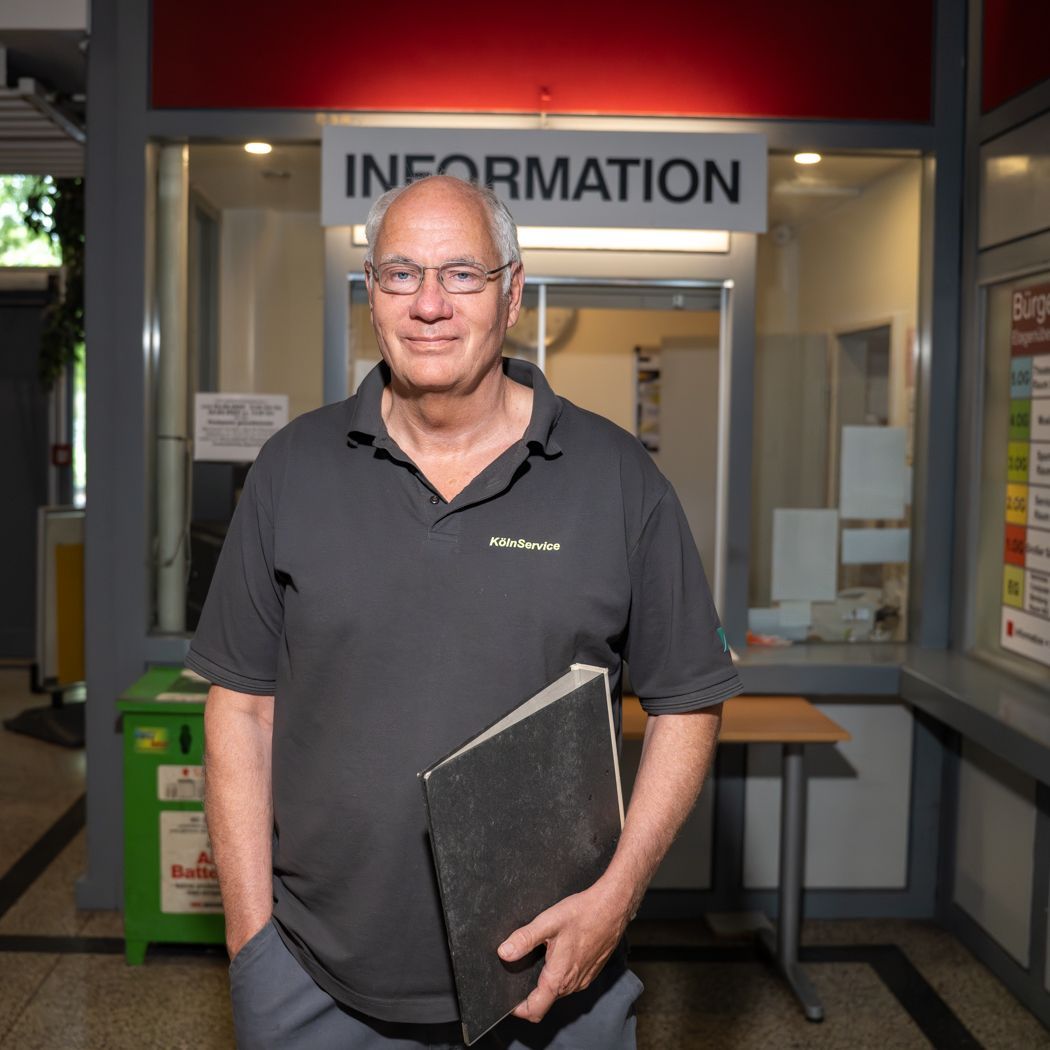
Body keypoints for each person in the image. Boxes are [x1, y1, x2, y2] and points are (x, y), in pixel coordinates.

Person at [189, 173, 742, 1049]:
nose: (429, 304)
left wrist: (617, 897)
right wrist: (252, 947)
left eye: (462, 274)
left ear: (512, 293)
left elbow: (687, 701)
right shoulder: (292, 468)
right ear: (373, 292)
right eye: (401, 274)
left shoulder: (616, 479)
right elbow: (242, 709)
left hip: (555, 984)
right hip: (313, 984)